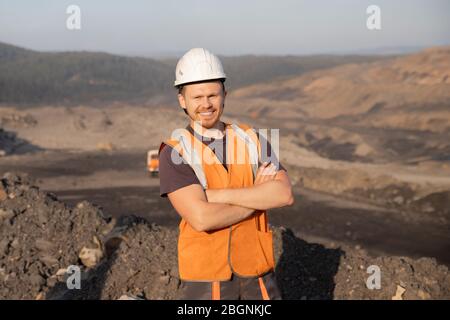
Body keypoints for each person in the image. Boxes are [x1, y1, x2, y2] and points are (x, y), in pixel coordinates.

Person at [158, 48, 294, 300]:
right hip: (207, 278)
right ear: (182, 100)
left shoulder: (251, 139)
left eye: (213, 95)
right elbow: (201, 219)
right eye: (197, 97)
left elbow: (283, 194)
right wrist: (256, 199)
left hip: (258, 272)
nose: (206, 104)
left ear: (225, 95)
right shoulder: (175, 151)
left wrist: (214, 196)